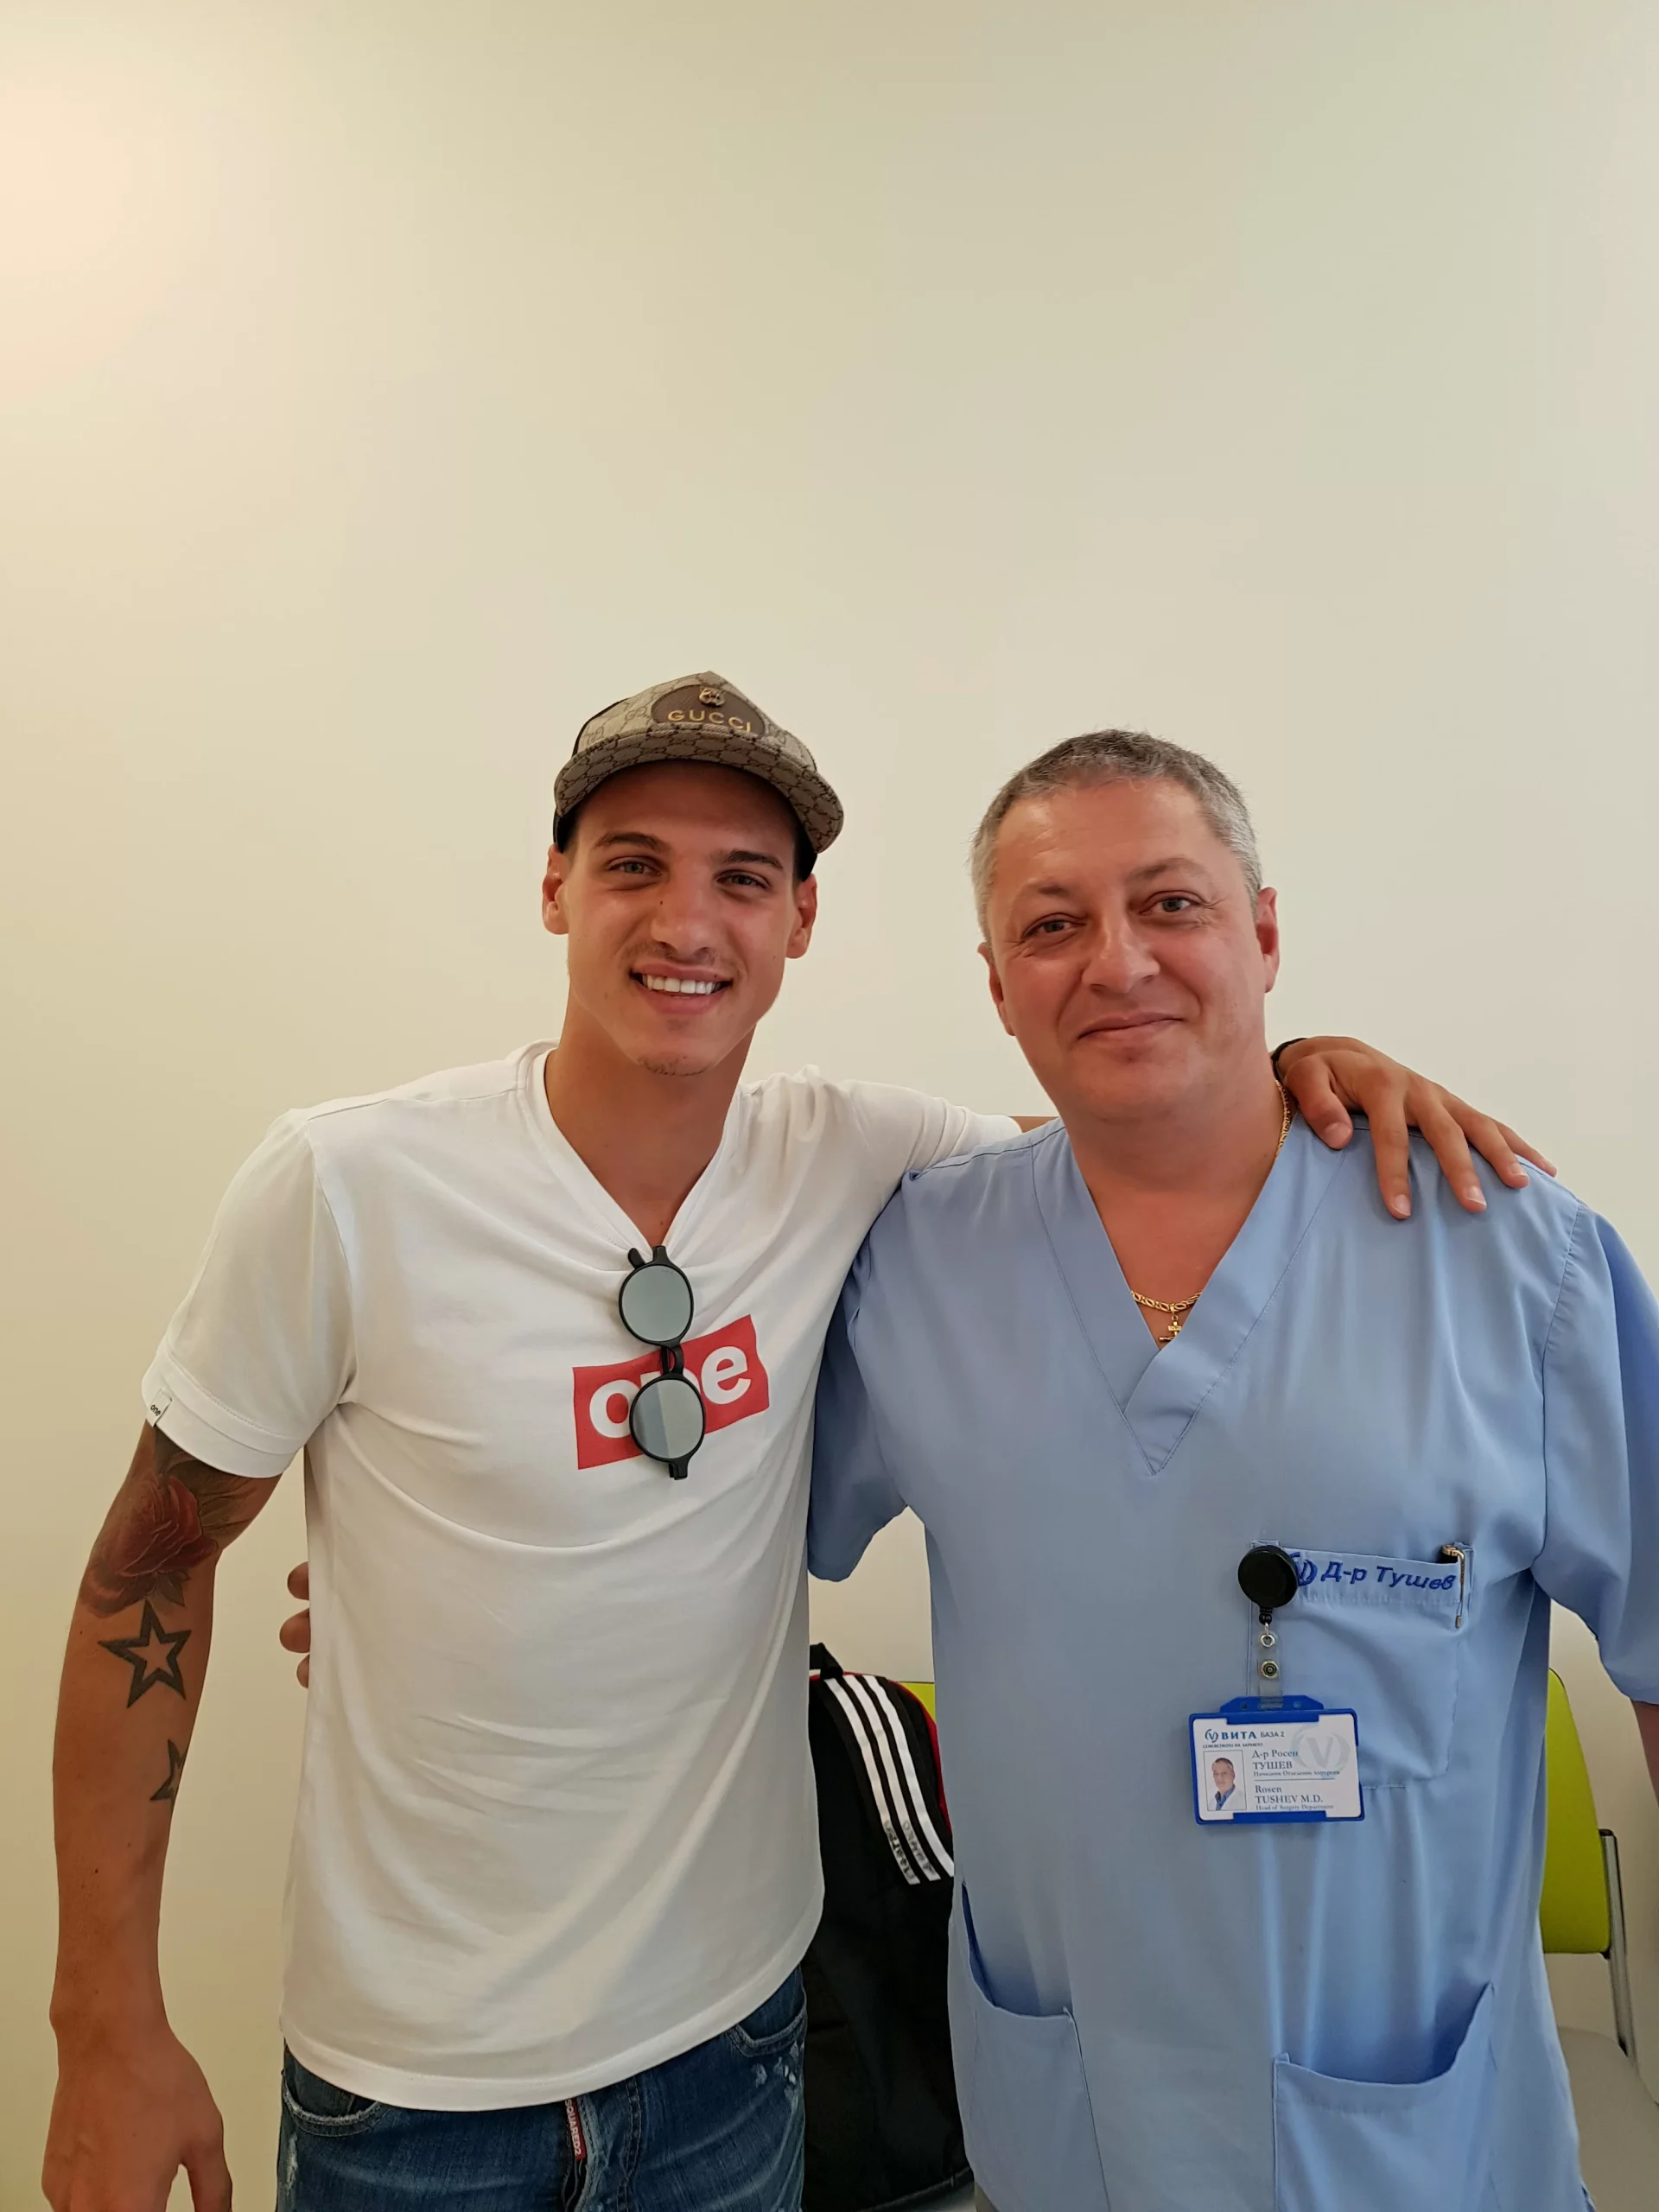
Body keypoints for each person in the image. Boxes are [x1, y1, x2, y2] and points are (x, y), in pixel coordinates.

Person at [46, 676, 1541, 2212]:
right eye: (633, 864)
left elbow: (1138, 1130)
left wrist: (1307, 1063)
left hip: (737, 2052)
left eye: (743, 878)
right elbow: (138, 1582)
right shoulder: (346, 1186)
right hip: (415, 2090)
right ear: (556, 887)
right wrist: (103, 2028)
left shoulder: (856, 1158)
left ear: (801, 920)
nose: (686, 922)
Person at [809, 728, 1659, 2212]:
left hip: (1417, 2147)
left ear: (1265, 935)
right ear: (998, 985)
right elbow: (704, 1542)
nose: (1117, 960)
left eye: (1172, 904)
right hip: (1074, 2130)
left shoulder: (1516, 1254)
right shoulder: (914, 1262)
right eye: (1052, 926)